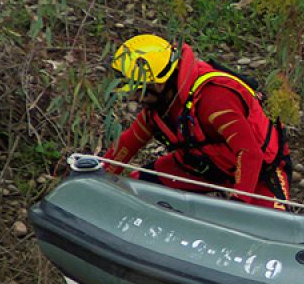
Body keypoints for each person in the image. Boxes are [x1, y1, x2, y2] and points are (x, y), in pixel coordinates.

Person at [101, 34, 291, 209]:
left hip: (259, 173)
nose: (134, 97)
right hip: (204, 167)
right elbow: (128, 143)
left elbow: (249, 153)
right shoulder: (159, 107)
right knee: (138, 186)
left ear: (159, 84)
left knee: (271, 226)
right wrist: (98, 180)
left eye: (138, 89)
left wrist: (237, 206)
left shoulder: (215, 100)